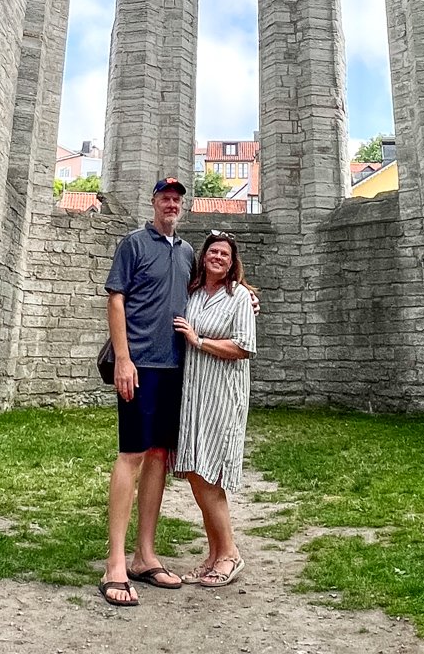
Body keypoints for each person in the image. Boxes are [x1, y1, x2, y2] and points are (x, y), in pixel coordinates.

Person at [99, 177, 193, 607]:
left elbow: (209, 291)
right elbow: (115, 299)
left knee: (159, 456)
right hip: (139, 366)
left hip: (176, 367)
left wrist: (246, 295)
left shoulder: (188, 252)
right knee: (132, 455)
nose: (171, 204)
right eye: (165, 198)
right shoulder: (134, 243)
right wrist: (122, 358)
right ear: (153, 202)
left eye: (176, 199)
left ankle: (145, 555)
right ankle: (115, 562)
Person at [172, 229, 256, 587]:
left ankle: (230, 554)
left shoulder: (240, 298)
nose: (218, 257)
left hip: (222, 394)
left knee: (211, 475)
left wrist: (199, 340)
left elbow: (244, 347)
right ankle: (213, 555)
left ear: (232, 262)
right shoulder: (192, 294)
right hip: (193, 393)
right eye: (213, 252)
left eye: (225, 254)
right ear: (204, 256)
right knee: (195, 470)